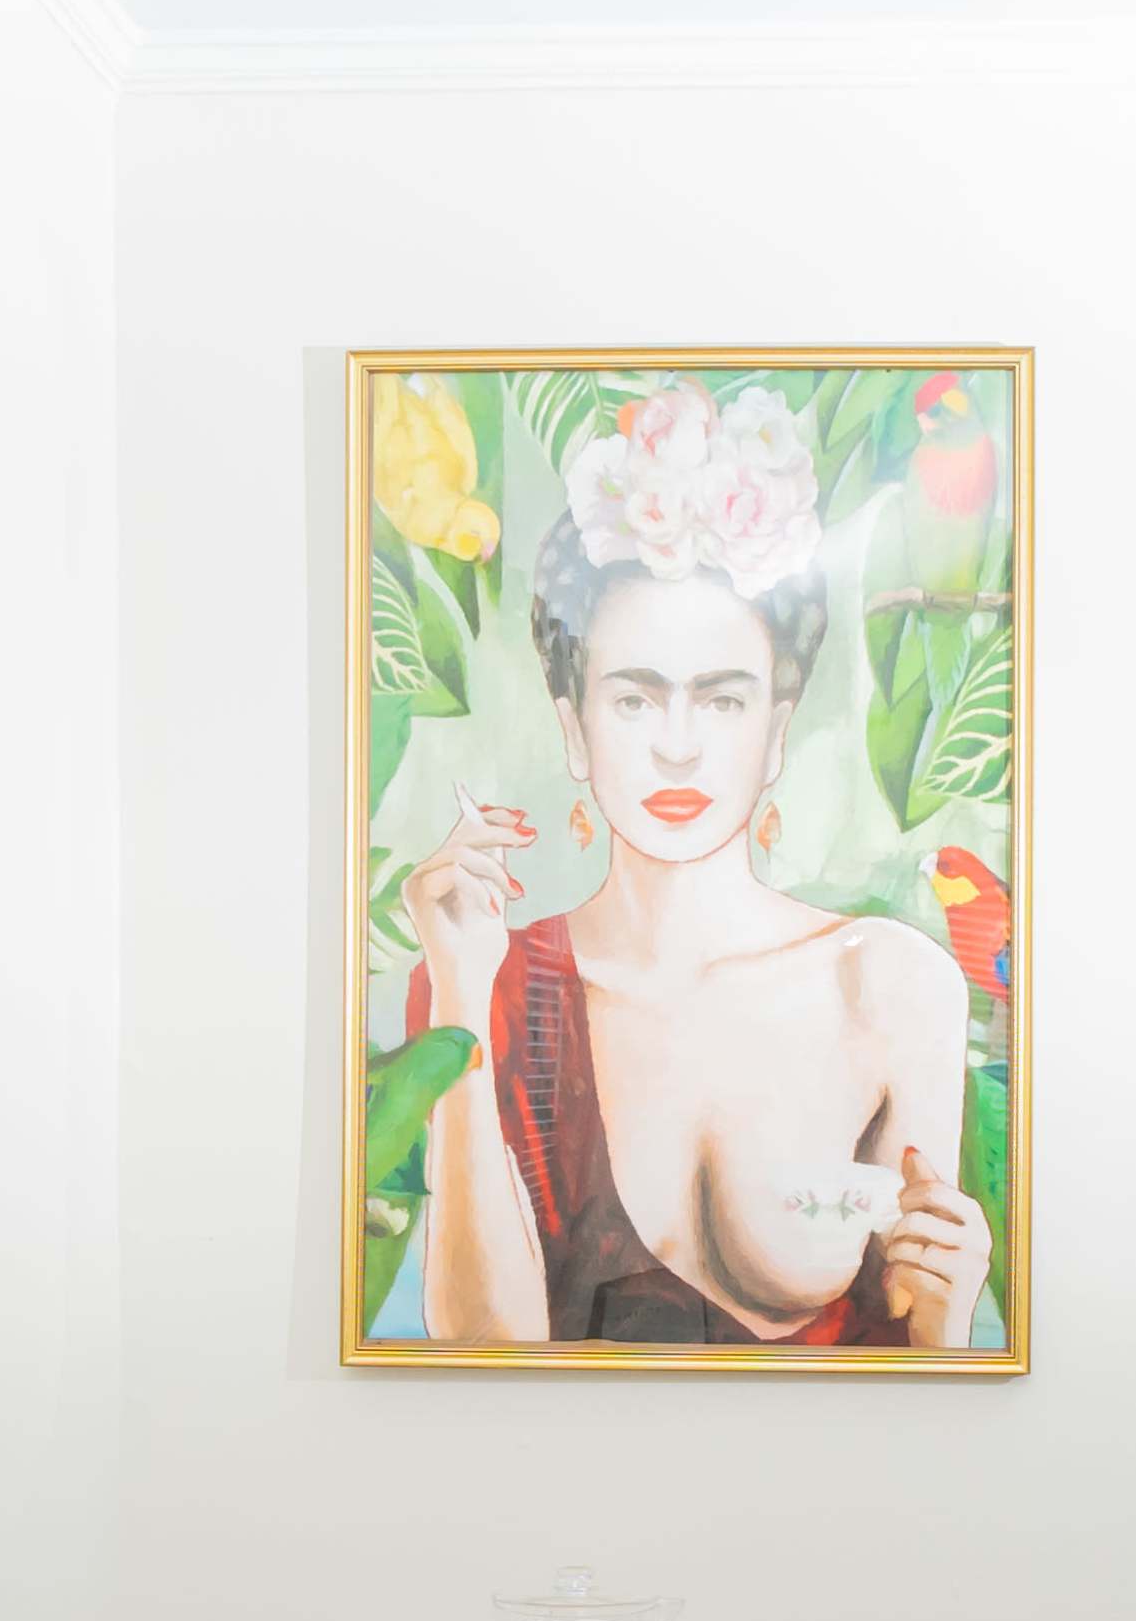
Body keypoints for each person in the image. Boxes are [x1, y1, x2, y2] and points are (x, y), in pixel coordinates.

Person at [403, 376, 991, 1347]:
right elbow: (482, 1350)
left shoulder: (891, 987)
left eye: (721, 700)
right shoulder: (487, 984)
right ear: (575, 728)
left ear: (777, 730)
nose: (677, 746)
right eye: (635, 699)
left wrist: (946, 1309)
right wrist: (462, 995)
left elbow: (914, 1357)